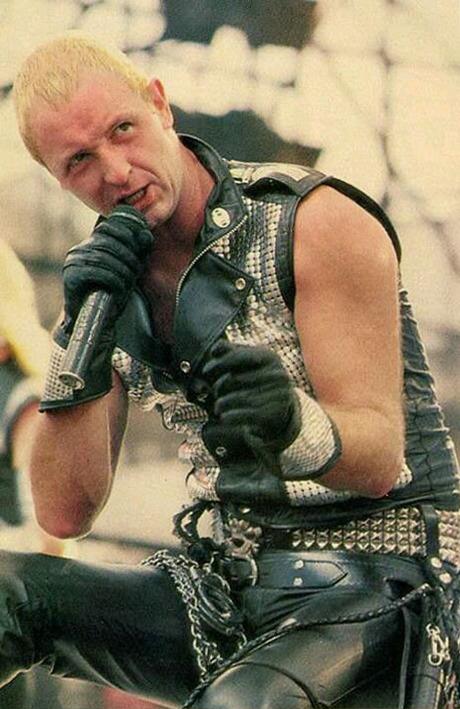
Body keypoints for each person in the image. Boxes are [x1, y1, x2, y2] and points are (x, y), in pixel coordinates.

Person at [1, 31, 459, 709]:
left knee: (240, 705)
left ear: (160, 106)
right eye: (80, 161)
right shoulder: (106, 282)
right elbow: (65, 513)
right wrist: (80, 342)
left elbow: (380, 459)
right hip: (223, 588)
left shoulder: (312, 220)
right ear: (57, 178)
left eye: (122, 130)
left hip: (387, 581)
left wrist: (292, 425)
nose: (116, 172)